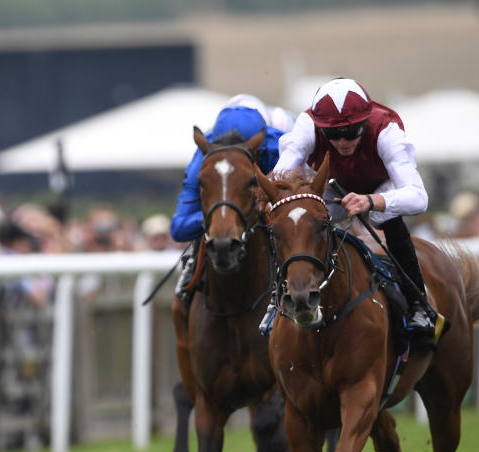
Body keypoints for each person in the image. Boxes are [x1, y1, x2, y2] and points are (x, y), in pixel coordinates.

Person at [272, 77, 437, 338]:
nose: (342, 141)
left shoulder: (385, 130)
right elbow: (280, 177)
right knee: (299, 219)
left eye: (351, 132)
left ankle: (418, 304)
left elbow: (419, 197)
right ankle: (281, 295)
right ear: (320, 128)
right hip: (334, 188)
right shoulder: (307, 126)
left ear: (365, 122)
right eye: (332, 134)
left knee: (386, 216)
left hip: (381, 187)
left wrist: (370, 201)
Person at [171, 104, 286, 308]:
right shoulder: (202, 159)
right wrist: (222, 215)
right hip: (224, 220)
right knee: (181, 301)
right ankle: (188, 282)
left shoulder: (279, 146)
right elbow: (179, 228)